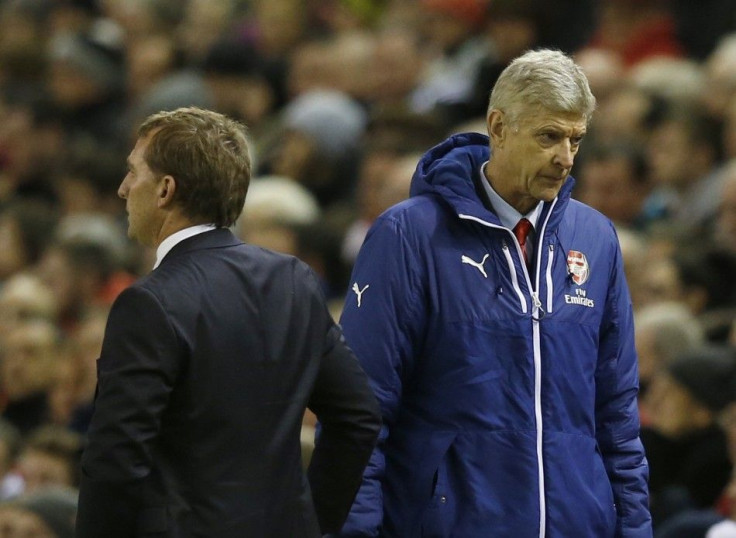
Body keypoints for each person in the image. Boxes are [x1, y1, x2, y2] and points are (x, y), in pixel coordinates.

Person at [337, 49, 652, 536]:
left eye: (576, 139)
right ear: (499, 127)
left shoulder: (596, 238)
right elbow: (362, 408)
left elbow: (617, 414)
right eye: (549, 135)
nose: (565, 158)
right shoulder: (409, 235)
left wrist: (634, 529)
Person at [75, 107, 381, 537]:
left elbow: (115, 461)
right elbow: (358, 417)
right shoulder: (291, 280)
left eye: (133, 173)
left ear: (165, 190)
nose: (124, 189)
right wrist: (313, 523)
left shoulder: (149, 303)